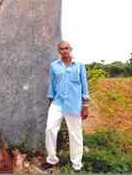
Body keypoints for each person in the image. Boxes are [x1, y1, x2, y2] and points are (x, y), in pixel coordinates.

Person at [44, 41, 89, 171]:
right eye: (61, 49)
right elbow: (52, 85)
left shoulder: (79, 65)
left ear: (71, 49)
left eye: (66, 48)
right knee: (50, 129)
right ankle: (52, 159)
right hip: (57, 103)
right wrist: (50, 102)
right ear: (59, 51)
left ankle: (76, 164)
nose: (64, 50)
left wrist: (85, 105)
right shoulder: (54, 66)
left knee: (75, 134)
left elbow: (84, 85)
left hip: (74, 104)